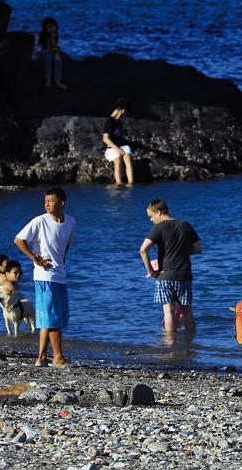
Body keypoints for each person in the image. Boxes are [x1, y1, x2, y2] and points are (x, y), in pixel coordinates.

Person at [14, 187, 76, 368]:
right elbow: (19, 240)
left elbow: (66, 244)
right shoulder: (39, 221)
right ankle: (58, 358)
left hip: (59, 276)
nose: (46, 204)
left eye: (50, 200)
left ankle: (41, 358)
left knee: (49, 318)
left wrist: (61, 259)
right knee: (52, 317)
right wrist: (36, 258)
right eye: (45, 200)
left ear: (61, 203)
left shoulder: (70, 221)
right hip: (44, 277)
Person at [139, 199, 201, 333]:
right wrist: (182, 251)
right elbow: (197, 249)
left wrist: (151, 271)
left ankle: (170, 346)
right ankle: (191, 344)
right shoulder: (185, 225)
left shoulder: (159, 228)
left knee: (168, 311)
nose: (150, 220)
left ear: (159, 212)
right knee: (188, 311)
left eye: (151, 216)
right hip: (184, 275)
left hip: (165, 275)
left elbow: (143, 250)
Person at [102, 99, 134, 185]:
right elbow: (105, 138)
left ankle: (130, 182)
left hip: (122, 145)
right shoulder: (109, 121)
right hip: (112, 147)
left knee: (128, 158)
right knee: (118, 160)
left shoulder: (118, 121)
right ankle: (118, 183)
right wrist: (117, 149)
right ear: (123, 111)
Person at [32, 17, 67, 90]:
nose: (53, 29)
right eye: (50, 26)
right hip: (37, 60)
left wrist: (53, 39)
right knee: (48, 55)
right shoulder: (39, 36)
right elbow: (39, 52)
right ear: (45, 27)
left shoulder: (56, 36)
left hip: (49, 59)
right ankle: (48, 79)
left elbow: (55, 51)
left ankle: (58, 81)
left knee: (58, 57)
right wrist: (51, 49)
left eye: (54, 26)